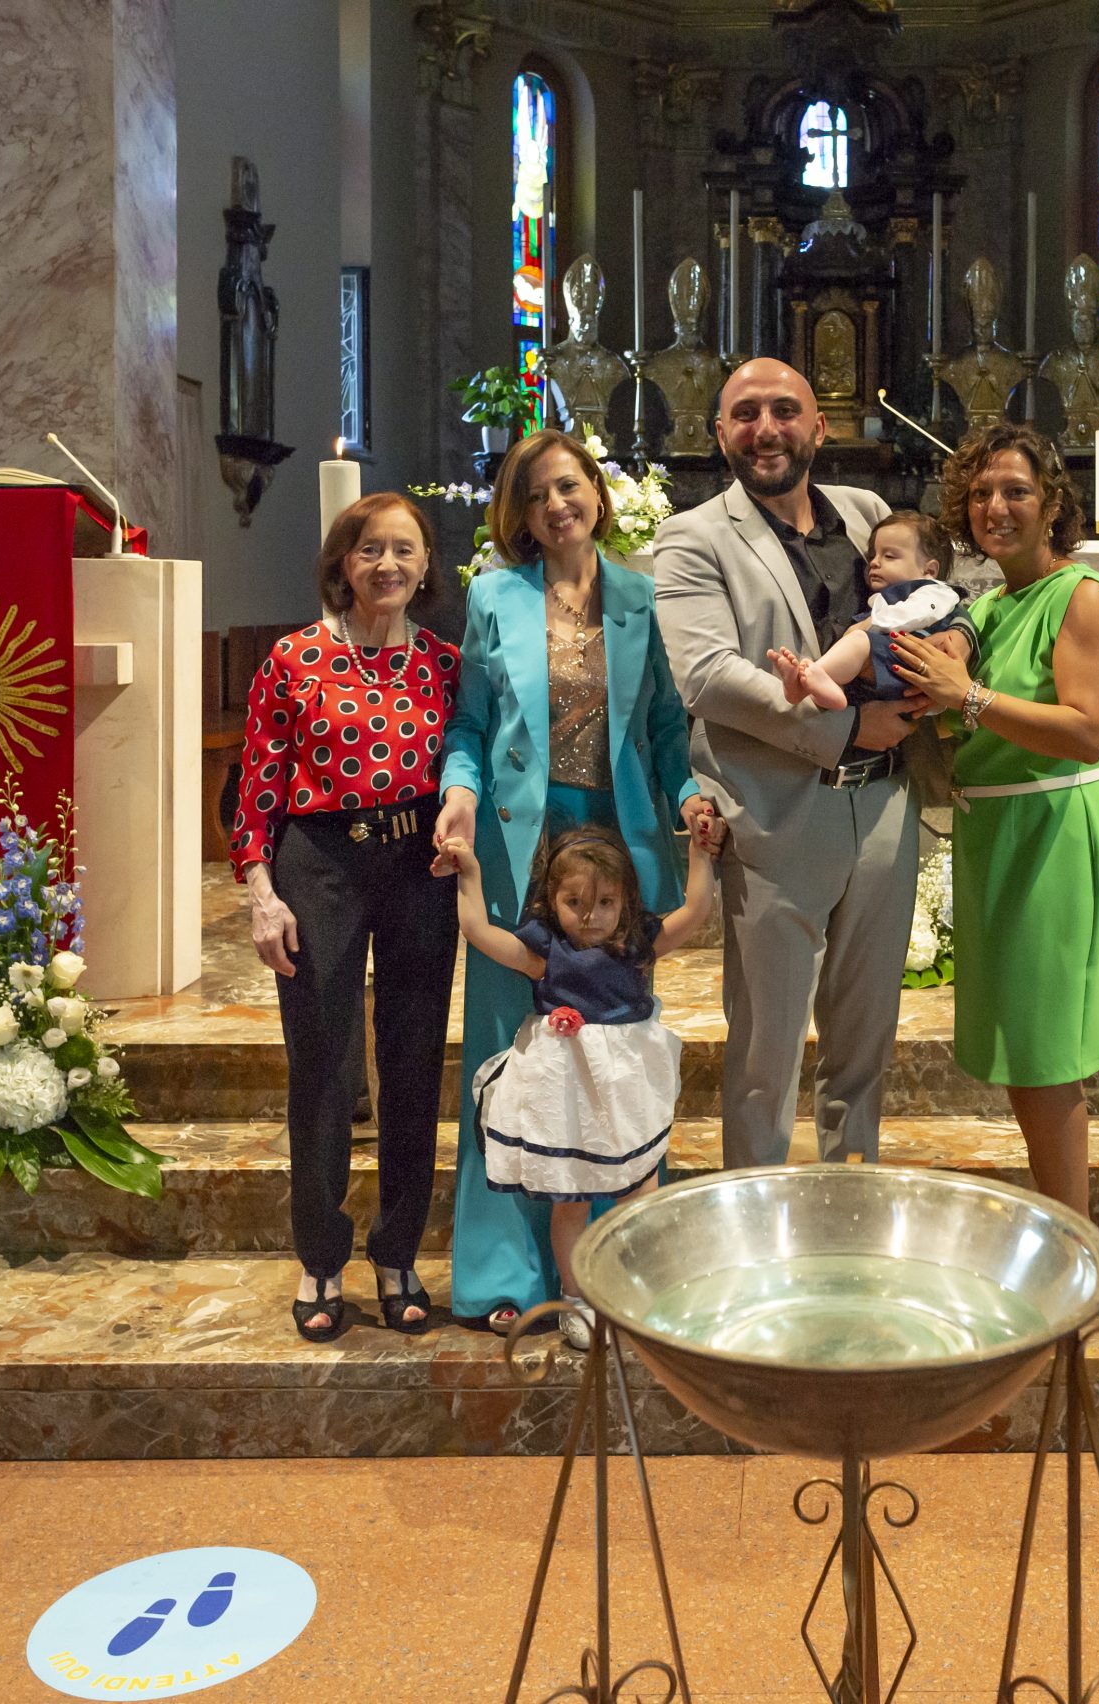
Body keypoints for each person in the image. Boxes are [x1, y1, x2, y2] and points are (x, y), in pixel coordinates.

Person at [432, 428, 720, 1331]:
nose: (556, 505)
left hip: (616, 852)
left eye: (569, 486)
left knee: (611, 1055)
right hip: (519, 844)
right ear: (519, 516)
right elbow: (469, 725)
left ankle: (615, 1267)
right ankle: (506, 1274)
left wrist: (690, 794)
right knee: (507, 1054)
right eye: (536, 495)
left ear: (597, 493)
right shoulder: (494, 594)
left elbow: (665, 728)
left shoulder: (639, 595)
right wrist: (458, 794)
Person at [654, 359, 921, 1169]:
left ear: (819, 426)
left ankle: (852, 1203)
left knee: (865, 1042)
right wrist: (846, 729)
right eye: (745, 414)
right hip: (773, 816)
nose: (765, 429)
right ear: (720, 433)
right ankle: (754, 1224)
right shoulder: (693, 536)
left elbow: (922, 612)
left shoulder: (866, 514)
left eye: (783, 410)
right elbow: (707, 676)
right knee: (765, 1059)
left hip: (885, 809)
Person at [886, 423, 1099, 1215]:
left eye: (1017, 491)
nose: (997, 507)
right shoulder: (990, 606)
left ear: (1053, 502)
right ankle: (1063, 1235)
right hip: (994, 835)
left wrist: (966, 697)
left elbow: (1087, 731)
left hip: (1051, 833)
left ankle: (1077, 1247)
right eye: (982, 492)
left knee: (1046, 1060)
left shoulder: (1082, 597)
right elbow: (959, 712)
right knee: (1024, 1057)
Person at [232, 491, 461, 1341]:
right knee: (323, 1064)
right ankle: (321, 1258)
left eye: (404, 550)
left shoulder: (444, 663)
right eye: (370, 550)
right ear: (343, 563)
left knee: (413, 1060)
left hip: (418, 865)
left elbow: (464, 763)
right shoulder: (294, 658)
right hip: (320, 862)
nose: (387, 565)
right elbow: (258, 782)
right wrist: (261, 891)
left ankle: (397, 1251)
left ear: (426, 566)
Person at [444, 824, 717, 1349]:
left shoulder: (637, 947)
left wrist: (700, 854)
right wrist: (470, 873)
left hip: (626, 1092)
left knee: (639, 1194)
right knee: (570, 1200)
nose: (590, 915)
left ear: (626, 901)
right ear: (552, 901)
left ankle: (631, 1291)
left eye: (605, 902)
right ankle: (576, 1299)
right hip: (566, 1097)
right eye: (575, 902)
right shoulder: (547, 953)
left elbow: (696, 910)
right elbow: (477, 930)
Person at [766, 510, 969, 713]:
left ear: (929, 570)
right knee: (849, 660)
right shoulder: (886, 597)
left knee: (858, 641)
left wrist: (868, 624)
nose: (874, 562)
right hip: (890, 666)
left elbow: (917, 613)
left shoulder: (934, 591)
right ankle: (823, 692)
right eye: (872, 556)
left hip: (912, 660)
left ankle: (805, 682)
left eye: (889, 556)